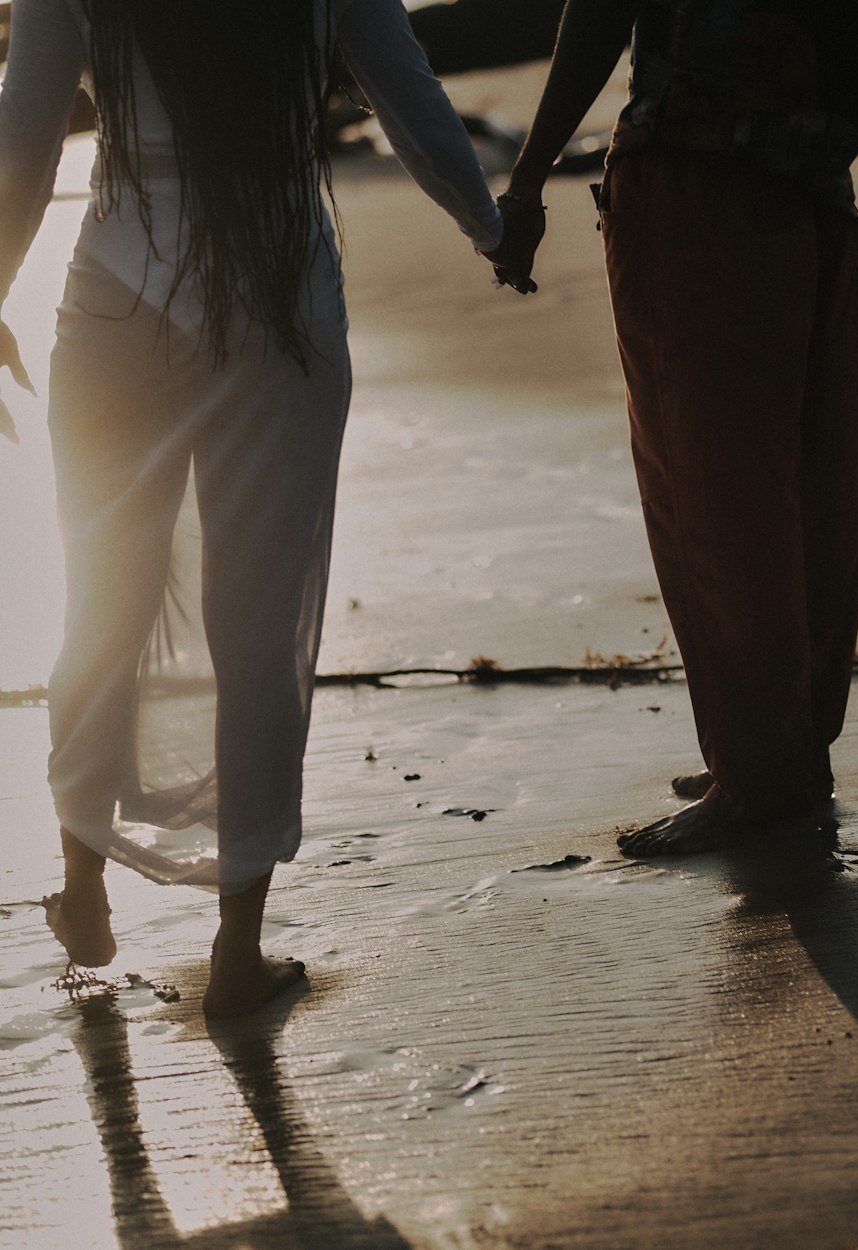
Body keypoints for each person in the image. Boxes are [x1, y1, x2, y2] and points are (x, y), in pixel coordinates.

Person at [0, 0, 526, 1017]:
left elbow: (24, 131)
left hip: (117, 286)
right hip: (279, 292)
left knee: (101, 595)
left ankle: (83, 886)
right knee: (259, 617)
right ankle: (238, 946)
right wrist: (490, 225)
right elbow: (403, 88)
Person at [495, 0, 858, 855]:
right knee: (810, 478)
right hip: (818, 166)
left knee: (713, 488)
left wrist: (529, 175)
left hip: (701, 172)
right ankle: (791, 750)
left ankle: (760, 777)